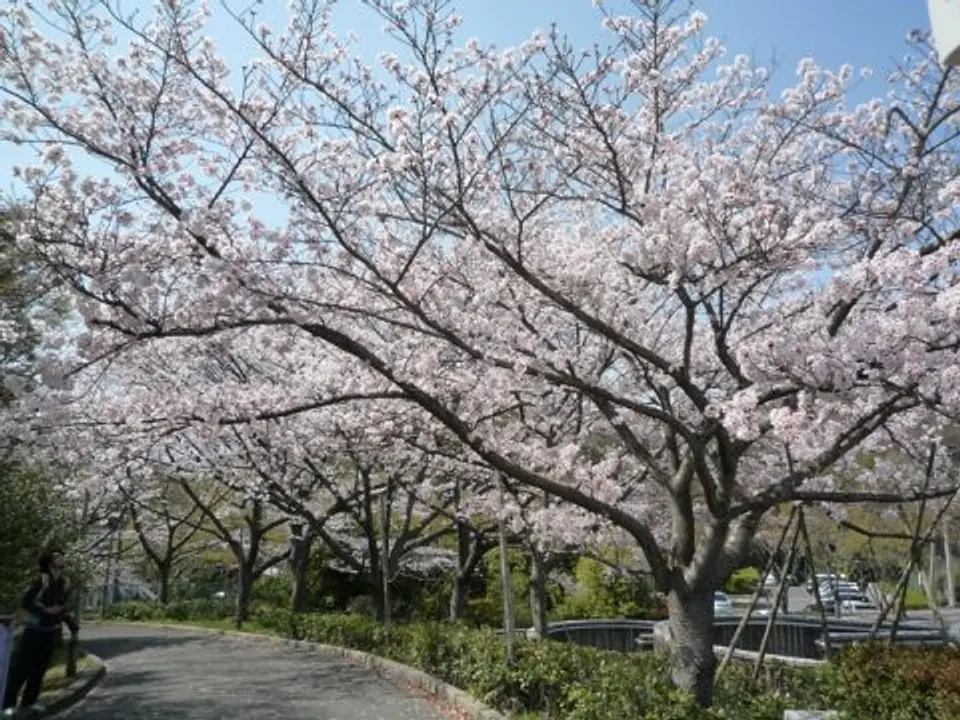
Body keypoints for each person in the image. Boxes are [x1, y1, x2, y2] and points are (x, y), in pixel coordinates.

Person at [2, 549, 78, 717]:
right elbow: (27, 601)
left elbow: (62, 606)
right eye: (57, 556)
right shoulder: (41, 580)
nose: (62, 558)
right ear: (49, 562)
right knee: (22, 668)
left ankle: (29, 701)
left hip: (50, 631)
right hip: (34, 629)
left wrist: (72, 627)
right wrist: (46, 611)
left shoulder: (65, 583)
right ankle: (8, 704)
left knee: (39, 669)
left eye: (62, 556)